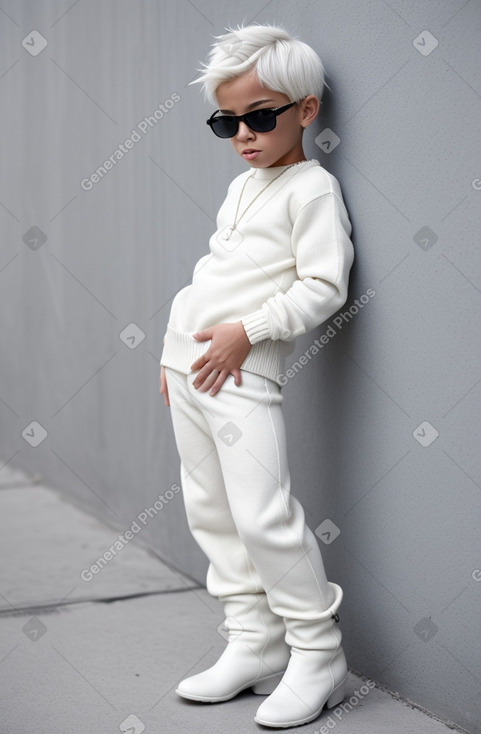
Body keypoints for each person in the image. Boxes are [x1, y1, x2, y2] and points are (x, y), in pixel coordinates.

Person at [159, 23, 354, 729]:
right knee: (208, 509)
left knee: (263, 515)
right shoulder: (244, 187)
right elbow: (209, 277)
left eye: (259, 116)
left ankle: (317, 650)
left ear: (304, 110)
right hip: (191, 366)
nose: (243, 133)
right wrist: (170, 351)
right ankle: (252, 637)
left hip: (243, 373)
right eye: (226, 121)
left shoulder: (310, 189)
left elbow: (323, 286)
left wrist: (251, 332)